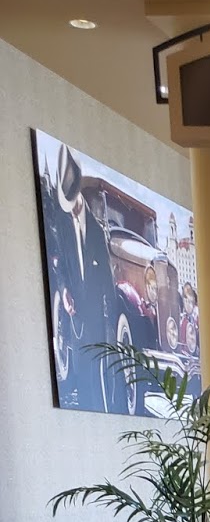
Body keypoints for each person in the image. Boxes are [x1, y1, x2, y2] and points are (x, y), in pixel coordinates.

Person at [54, 143, 117, 412]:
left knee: (98, 382)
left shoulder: (97, 232)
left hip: (96, 325)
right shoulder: (63, 227)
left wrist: (111, 329)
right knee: (82, 382)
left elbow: (109, 285)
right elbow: (62, 270)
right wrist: (65, 290)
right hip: (75, 319)